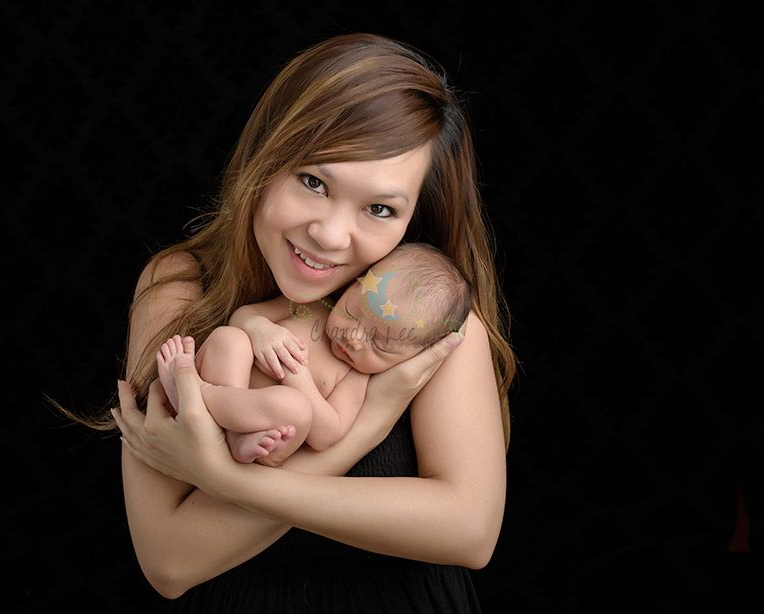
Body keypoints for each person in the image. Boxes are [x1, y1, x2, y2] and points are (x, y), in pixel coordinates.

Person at [84, 32, 517, 611]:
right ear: (266, 159)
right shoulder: (178, 285)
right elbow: (170, 560)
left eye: (381, 209)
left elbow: (469, 531)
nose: (331, 236)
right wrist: (370, 422)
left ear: (415, 217)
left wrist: (226, 480)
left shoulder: (418, 308)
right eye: (314, 182)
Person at [156, 242, 472, 467]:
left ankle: (194, 394)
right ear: (353, 286)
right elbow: (244, 315)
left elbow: (327, 434)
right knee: (231, 338)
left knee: (294, 407)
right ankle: (225, 424)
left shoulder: (355, 377)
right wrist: (261, 330)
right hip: (232, 386)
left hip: (264, 437)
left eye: (382, 343)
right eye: (352, 312)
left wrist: (297, 377)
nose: (355, 339)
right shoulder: (311, 307)